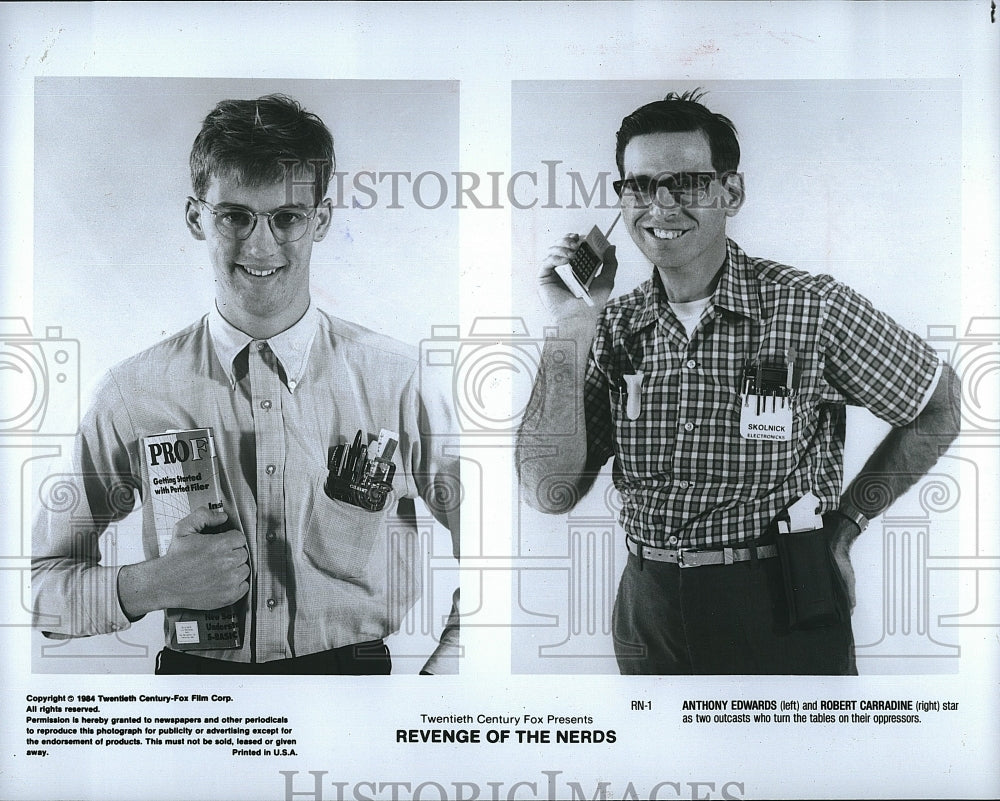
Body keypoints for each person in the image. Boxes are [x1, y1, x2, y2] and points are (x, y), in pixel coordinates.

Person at [516, 90, 960, 675]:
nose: (661, 205)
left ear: (732, 192)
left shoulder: (811, 308)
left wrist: (848, 525)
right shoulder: (614, 326)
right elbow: (547, 491)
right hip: (648, 612)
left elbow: (941, 404)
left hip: (781, 603)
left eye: (687, 183)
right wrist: (571, 327)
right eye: (641, 185)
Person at [32, 94, 460, 675]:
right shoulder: (131, 393)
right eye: (234, 216)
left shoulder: (401, 381)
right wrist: (150, 584)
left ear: (322, 220)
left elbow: (498, 553)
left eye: (287, 217)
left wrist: (443, 687)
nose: (260, 246)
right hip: (198, 705)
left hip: (357, 701)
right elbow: (39, 587)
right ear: (196, 217)